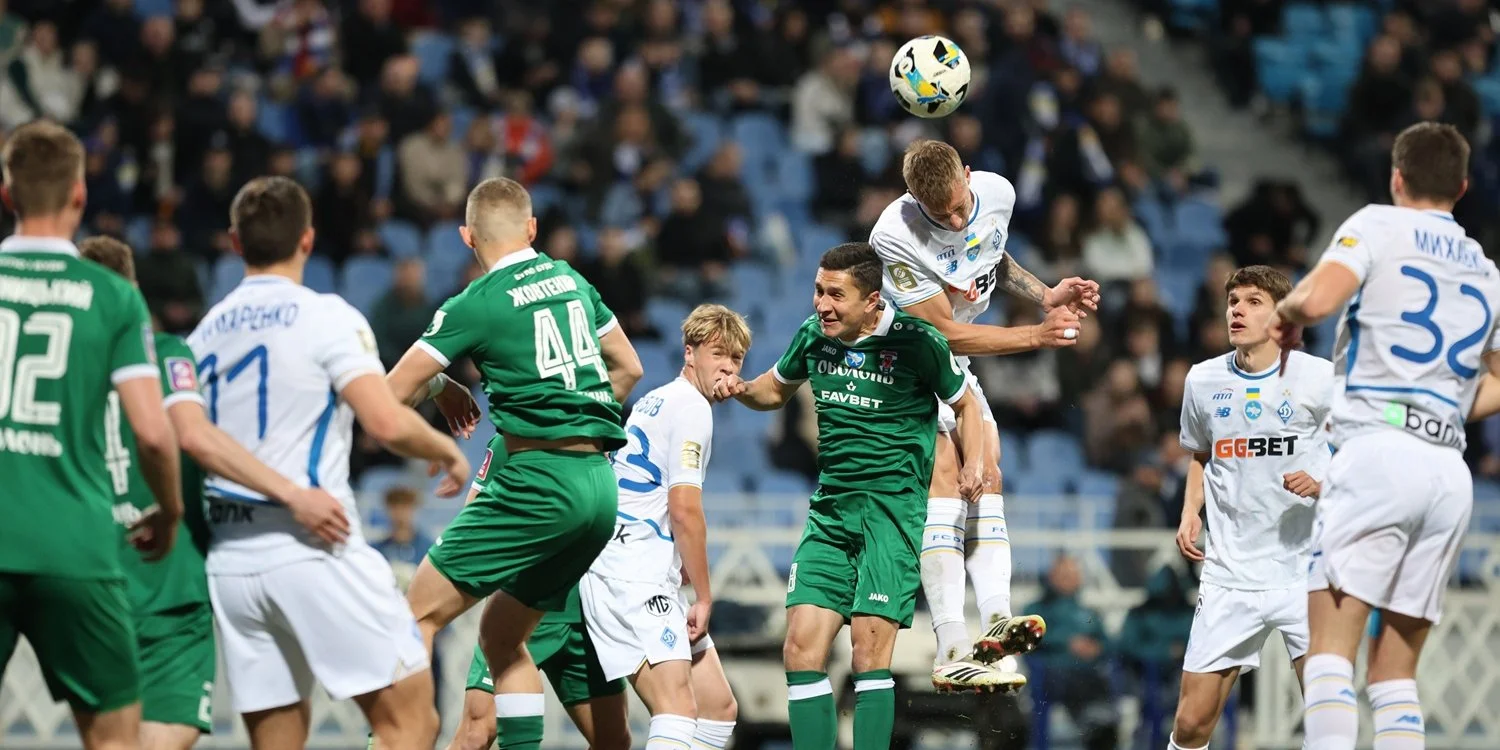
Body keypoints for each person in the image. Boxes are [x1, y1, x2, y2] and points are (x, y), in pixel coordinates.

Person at [186, 176, 469, 750]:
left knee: (277, 741)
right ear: (307, 240)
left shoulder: (203, 335)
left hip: (234, 561)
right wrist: (444, 449)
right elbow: (383, 421)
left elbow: (192, 441)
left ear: (235, 244)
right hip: (315, 543)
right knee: (413, 722)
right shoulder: (326, 316)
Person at [385, 176, 644, 750]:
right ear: (532, 228)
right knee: (503, 639)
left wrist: (439, 387)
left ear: (466, 237)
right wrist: (575, 418)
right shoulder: (571, 280)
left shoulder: (475, 303)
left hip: (537, 482)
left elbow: (389, 396)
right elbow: (629, 367)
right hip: (599, 489)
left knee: (414, 617)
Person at [712, 242, 995, 750]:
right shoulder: (813, 337)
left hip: (892, 516)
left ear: (871, 300)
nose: (822, 304)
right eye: (818, 290)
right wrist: (740, 388)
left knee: (868, 655)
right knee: (800, 648)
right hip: (830, 513)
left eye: (835, 295)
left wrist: (973, 461)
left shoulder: (917, 342)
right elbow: (773, 390)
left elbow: (966, 405)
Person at [1274, 122, 1500, 750]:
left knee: (1329, 653)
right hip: (1448, 472)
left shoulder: (1378, 224)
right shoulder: (1487, 270)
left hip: (1377, 452)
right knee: (1395, 675)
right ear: (1461, 187)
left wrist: (1286, 315)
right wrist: (1440, 405)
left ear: (1397, 177)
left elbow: (1317, 301)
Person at [80, 235, 351, 750]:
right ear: (132, 295)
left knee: (110, 734)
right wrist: (292, 494)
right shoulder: (166, 354)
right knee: (171, 724)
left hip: (87, 575)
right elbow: (195, 437)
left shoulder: (63, 378)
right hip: (167, 577)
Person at [868, 138, 1100, 689]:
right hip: (902, 366)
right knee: (947, 478)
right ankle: (951, 644)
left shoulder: (998, 193)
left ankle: (997, 620)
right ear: (914, 201)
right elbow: (943, 332)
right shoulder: (894, 234)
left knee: (988, 473)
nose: (953, 220)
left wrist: (1044, 295)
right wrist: (1035, 335)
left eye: (958, 206)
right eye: (939, 214)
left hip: (954, 366)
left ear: (969, 175)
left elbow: (990, 253)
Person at [0, 120, 182, 750]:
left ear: (7, 195)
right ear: (79, 195)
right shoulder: (112, 296)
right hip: (73, 543)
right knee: (115, 739)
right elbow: (152, 434)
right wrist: (170, 512)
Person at [1170, 265, 1332, 750]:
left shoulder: (1319, 378)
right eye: (1233, 301)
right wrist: (1191, 510)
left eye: (1253, 302)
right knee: (1191, 724)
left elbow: (1363, 449)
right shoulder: (1203, 380)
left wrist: (1324, 483)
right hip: (1230, 574)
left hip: (1305, 571)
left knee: (1327, 717)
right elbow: (1201, 453)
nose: (1237, 311)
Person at [577, 303, 748, 750]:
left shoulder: (656, 398)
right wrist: (705, 597)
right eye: (717, 354)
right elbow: (685, 509)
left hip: (631, 562)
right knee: (677, 710)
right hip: (633, 574)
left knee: (717, 708)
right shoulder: (692, 409)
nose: (728, 367)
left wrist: (680, 560)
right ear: (689, 352)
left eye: (736, 358)